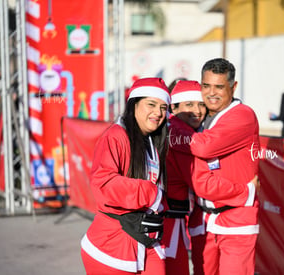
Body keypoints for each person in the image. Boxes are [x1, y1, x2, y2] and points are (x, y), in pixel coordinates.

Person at [170, 58, 260, 275]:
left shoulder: (242, 115)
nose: (211, 93)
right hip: (204, 219)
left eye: (219, 87)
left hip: (236, 218)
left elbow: (204, 147)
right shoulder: (201, 119)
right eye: (206, 86)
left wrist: (169, 131)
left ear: (233, 87)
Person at [80, 77, 170, 275]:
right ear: (134, 104)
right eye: (151, 104)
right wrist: (152, 193)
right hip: (112, 245)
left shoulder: (154, 140)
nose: (158, 113)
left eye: (164, 107)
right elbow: (103, 184)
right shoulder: (116, 135)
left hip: (147, 240)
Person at [163, 80, 207, 275]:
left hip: (173, 217)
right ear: (174, 107)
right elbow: (201, 183)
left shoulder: (175, 127)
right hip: (168, 220)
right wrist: (244, 190)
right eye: (189, 104)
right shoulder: (180, 132)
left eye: (201, 104)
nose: (197, 110)